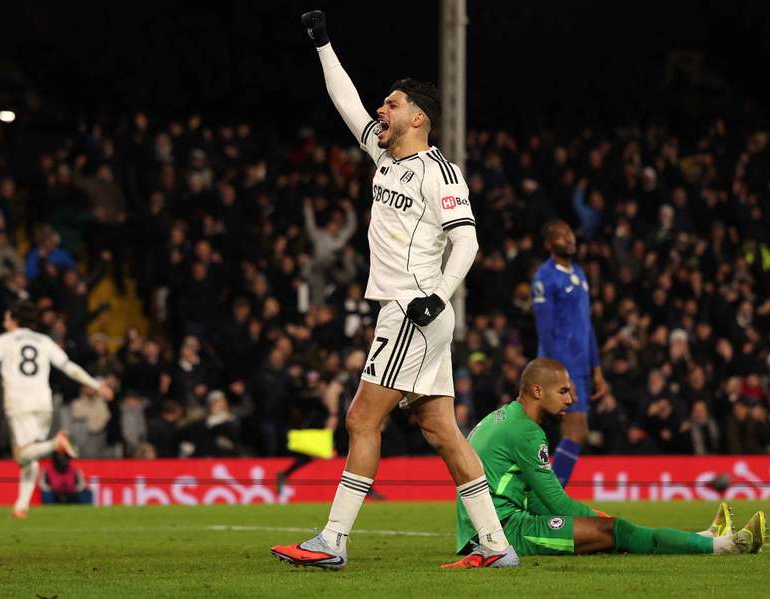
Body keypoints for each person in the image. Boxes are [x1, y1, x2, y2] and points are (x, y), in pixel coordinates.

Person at [271, 10, 517, 570]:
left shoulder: (440, 173)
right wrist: (324, 46)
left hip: (415, 309)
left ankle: (333, 541)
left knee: (361, 419)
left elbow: (469, 243)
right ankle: (496, 546)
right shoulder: (384, 155)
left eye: (393, 104)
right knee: (441, 430)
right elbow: (346, 102)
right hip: (410, 310)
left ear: (419, 118)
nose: (381, 111)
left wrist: (441, 294)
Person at [444, 358, 765, 566]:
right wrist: (601, 520)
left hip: (484, 528)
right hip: (504, 533)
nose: (571, 399)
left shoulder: (502, 419)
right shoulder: (526, 433)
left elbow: (525, 494)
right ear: (538, 391)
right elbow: (556, 503)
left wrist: (596, 523)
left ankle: (705, 537)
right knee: (616, 531)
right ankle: (727, 546)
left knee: (610, 532)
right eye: (564, 391)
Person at [0, 300, 113, 518]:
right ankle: (21, 507)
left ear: (15, 320)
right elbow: (68, 367)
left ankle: (57, 443)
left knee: (21, 455)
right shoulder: (44, 341)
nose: (5, 322)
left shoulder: (6, 341)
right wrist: (96, 385)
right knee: (31, 456)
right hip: (43, 404)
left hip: (19, 403)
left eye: (7, 318)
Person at [531, 220, 606, 486]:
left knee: (576, 432)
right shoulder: (545, 278)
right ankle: (550, 496)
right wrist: (560, 373)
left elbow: (587, 325)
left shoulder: (580, 274)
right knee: (573, 432)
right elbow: (545, 329)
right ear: (549, 244)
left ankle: (547, 494)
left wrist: (596, 368)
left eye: (570, 233)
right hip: (560, 366)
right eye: (561, 236)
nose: (569, 239)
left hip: (580, 367)